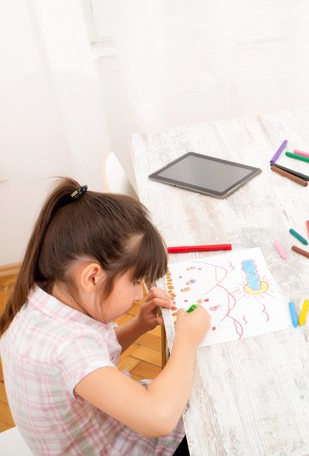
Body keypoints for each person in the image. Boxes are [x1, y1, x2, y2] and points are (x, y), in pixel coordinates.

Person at [0, 178, 211, 455]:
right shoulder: (68, 347)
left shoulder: (38, 299)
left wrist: (138, 326)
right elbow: (159, 418)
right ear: (92, 277)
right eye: (136, 282)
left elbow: (92, 362)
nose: (139, 295)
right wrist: (186, 339)